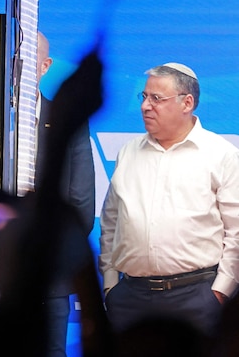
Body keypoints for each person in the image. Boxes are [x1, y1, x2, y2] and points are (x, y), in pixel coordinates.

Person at [0, 32, 96, 357]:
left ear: (45, 66)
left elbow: (81, 209)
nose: (18, 67)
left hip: (49, 283)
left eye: (26, 59)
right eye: (12, 59)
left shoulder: (70, 126)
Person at [100, 62, 239, 338]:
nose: (145, 106)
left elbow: (236, 231)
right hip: (130, 299)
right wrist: (110, 284)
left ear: (187, 103)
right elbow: (111, 222)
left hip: (197, 298)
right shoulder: (128, 153)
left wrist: (220, 291)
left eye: (157, 99)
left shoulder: (220, 155)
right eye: (144, 97)